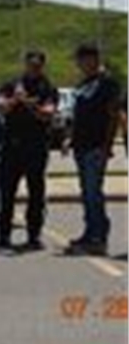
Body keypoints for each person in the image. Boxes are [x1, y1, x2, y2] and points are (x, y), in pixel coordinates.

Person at [0, 51, 57, 253]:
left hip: (36, 147)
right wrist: (14, 101)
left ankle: (34, 236)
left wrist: (30, 105)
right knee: (6, 192)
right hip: (11, 146)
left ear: (42, 66)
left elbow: (48, 114)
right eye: (30, 64)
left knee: (36, 193)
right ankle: (3, 235)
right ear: (25, 64)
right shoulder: (12, 84)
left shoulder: (48, 87)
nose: (33, 68)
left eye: (37, 65)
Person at [64, 44, 120, 256]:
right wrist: (69, 138)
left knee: (93, 192)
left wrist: (107, 147)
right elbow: (78, 114)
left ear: (93, 59)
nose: (79, 64)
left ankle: (99, 237)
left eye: (81, 59)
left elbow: (113, 115)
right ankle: (89, 232)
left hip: (96, 146)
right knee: (86, 193)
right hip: (81, 144)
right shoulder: (84, 83)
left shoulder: (107, 82)